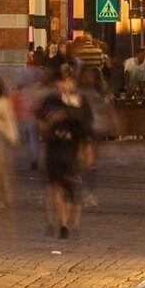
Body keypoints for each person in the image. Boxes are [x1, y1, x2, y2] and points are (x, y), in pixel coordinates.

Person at [33, 65, 97, 237]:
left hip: (72, 148)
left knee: (67, 187)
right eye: (62, 81)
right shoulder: (51, 100)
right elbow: (39, 122)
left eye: (68, 81)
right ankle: (53, 222)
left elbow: (87, 128)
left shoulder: (80, 102)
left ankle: (65, 225)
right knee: (54, 185)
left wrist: (87, 150)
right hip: (54, 145)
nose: (65, 84)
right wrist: (49, 123)